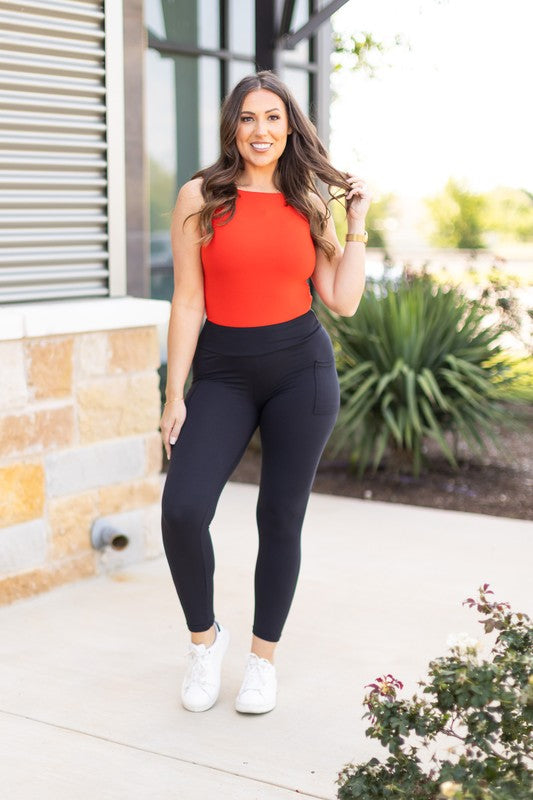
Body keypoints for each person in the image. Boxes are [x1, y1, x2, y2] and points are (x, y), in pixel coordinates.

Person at [160, 70, 371, 715]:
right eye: (248, 117)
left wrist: (356, 223)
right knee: (182, 510)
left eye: (273, 118)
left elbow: (342, 298)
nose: (260, 130)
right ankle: (205, 643)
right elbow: (188, 300)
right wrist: (175, 395)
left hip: (300, 373)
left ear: (289, 128)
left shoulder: (308, 199)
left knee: (279, 518)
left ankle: (261, 662)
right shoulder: (200, 196)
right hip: (222, 372)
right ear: (233, 127)